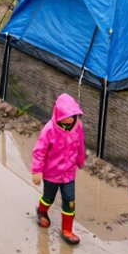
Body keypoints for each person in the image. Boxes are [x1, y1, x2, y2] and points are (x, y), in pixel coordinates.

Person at [31, 93, 85, 245]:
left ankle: (67, 230)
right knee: (49, 197)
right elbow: (39, 151)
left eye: (73, 117)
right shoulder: (49, 129)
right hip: (51, 173)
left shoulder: (78, 126)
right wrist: (37, 171)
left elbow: (80, 144)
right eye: (67, 118)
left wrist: (80, 161)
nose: (71, 121)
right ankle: (42, 211)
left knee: (70, 201)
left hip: (69, 173)